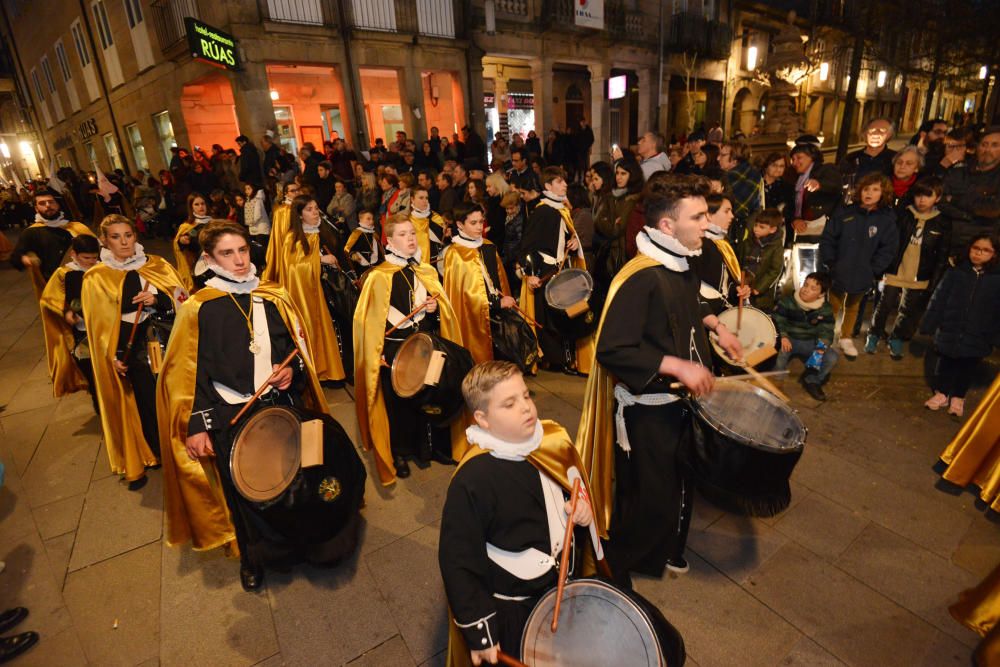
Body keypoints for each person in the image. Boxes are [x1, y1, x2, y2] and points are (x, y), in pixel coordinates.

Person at [158, 220, 364, 591]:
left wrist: (292, 371)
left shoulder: (272, 294)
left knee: (303, 471)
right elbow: (189, 373)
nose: (239, 260)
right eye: (227, 253)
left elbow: (295, 348)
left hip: (279, 402)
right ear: (208, 258)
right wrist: (198, 424)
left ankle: (309, 539)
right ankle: (255, 559)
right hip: (230, 410)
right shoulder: (198, 308)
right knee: (246, 494)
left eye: (242, 250)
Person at [576, 175, 743, 586]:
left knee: (671, 491)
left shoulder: (679, 261)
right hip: (647, 414)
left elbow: (689, 300)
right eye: (698, 216)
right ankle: (613, 574)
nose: (707, 224)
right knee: (647, 502)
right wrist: (677, 365)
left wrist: (715, 326)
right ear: (667, 226)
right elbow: (612, 349)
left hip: (677, 407)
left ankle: (655, 555)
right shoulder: (642, 276)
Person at [439, 361, 602, 665]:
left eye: (526, 396)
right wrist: (482, 634)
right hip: (514, 611)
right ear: (483, 419)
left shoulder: (552, 440)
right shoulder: (472, 479)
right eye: (509, 404)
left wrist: (577, 509)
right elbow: (459, 561)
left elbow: (573, 484)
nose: (526, 408)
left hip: (561, 590)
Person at [353, 214, 466, 483]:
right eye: (403, 235)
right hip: (394, 348)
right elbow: (367, 320)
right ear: (389, 241)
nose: (411, 238)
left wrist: (434, 308)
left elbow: (441, 308)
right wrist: (375, 353)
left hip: (424, 343)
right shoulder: (378, 276)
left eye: (412, 233)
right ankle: (400, 452)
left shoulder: (424, 270)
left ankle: (431, 446)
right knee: (400, 403)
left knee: (430, 394)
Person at [83, 214, 186, 491]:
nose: (124, 242)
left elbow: (183, 299)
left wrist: (159, 299)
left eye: (128, 235)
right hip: (134, 350)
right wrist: (112, 356)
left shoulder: (158, 265)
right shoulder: (96, 277)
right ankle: (160, 454)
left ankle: (185, 445)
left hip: (168, 340)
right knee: (147, 402)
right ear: (104, 241)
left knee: (177, 395)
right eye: (116, 237)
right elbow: (99, 325)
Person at [518, 167, 594, 375]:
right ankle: (556, 360)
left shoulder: (560, 209)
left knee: (565, 315)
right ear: (548, 186)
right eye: (559, 182)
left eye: (564, 181)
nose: (565, 185)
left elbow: (565, 237)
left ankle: (565, 359)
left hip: (562, 268)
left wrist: (574, 242)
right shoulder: (543, 211)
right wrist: (530, 273)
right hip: (546, 271)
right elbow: (527, 246)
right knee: (550, 319)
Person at [867, 177, 950, 359]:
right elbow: (888, 242)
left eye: (928, 196)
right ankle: (874, 334)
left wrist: (934, 280)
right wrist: (882, 268)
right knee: (884, 304)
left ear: (937, 198)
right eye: (919, 195)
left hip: (920, 274)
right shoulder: (903, 214)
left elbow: (942, 255)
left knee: (907, 310)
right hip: (896, 269)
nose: (922, 200)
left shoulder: (942, 222)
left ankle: (896, 337)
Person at [819, 173, 899, 359]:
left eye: (875, 189)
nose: (869, 193)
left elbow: (888, 248)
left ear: (883, 193)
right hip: (839, 268)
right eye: (866, 189)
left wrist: (874, 269)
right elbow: (828, 238)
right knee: (832, 304)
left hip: (863, 271)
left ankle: (846, 337)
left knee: (853, 305)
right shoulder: (846, 213)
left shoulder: (886, 220)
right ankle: (825, 336)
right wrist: (831, 262)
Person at [919, 233, 1000, 418]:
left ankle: (958, 397)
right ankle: (942, 393)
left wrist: (995, 335)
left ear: (994, 254)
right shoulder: (956, 273)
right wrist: (930, 323)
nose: (979, 253)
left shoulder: (996, 279)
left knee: (968, 367)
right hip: (951, 328)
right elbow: (938, 298)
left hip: (979, 333)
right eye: (976, 248)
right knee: (945, 363)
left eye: (985, 250)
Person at [270, 195, 348, 384]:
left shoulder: (322, 231)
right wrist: (319, 260)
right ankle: (319, 371)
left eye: (316, 208)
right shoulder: (292, 237)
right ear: (299, 215)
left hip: (330, 291)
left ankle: (335, 369)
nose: (315, 213)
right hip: (310, 294)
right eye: (309, 209)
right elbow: (293, 269)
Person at [441, 203, 518, 365]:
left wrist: (504, 300)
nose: (479, 227)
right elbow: (463, 296)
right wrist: (495, 303)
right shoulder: (455, 254)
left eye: (481, 222)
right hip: (472, 317)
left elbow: (500, 281)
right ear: (460, 224)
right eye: (473, 223)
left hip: (497, 315)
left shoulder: (488, 247)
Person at [38, 234, 101, 410]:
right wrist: (66, 311)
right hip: (81, 331)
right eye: (86, 258)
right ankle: (98, 403)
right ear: (74, 254)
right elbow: (50, 299)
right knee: (89, 368)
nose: (91, 261)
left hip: (104, 326)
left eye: (94, 257)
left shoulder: (102, 269)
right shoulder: (64, 273)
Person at [10, 190, 96, 297]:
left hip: (87, 281)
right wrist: (25, 259)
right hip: (57, 288)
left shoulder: (76, 227)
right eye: (42, 203)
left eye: (51, 202)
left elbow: (97, 250)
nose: (48, 205)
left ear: (58, 204)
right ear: (36, 208)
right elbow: (15, 258)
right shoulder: (31, 232)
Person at [773, 271, 839, 401]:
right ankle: (777, 383)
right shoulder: (788, 301)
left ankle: (812, 380)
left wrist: (821, 347)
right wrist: (784, 336)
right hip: (789, 339)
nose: (806, 290)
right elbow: (778, 319)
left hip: (810, 342)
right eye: (806, 284)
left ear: (821, 294)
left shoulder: (825, 309)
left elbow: (826, 330)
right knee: (781, 355)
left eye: (813, 288)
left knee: (832, 357)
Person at [693, 193, 749, 315]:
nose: (732, 216)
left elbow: (724, 283)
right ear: (709, 215)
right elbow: (697, 288)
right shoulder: (700, 244)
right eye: (727, 211)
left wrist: (738, 290)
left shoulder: (721, 243)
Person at [738, 208, 785, 311]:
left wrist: (759, 288)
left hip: (761, 295)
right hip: (743, 285)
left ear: (772, 229)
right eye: (755, 225)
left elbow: (775, 270)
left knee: (758, 316)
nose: (756, 229)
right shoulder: (748, 242)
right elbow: (739, 261)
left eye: (762, 227)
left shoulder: (776, 246)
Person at [719, 141, 763, 243]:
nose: (718, 158)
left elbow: (737, 209)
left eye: (722, 155)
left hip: (737, 233)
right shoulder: (753, 174)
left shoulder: (733, 178)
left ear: (735, 160)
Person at [173, 193, 212, 292]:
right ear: (191, 207)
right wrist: (182, 241)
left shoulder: (214, 222)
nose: (201, 207)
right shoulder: (189, 226)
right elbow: (181, 244)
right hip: (200, 269)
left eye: (202, 203)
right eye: (196, 204)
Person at [407, 186, 446, 266]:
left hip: (435, 261)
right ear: (412, 199)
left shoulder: (435, 217)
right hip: (415, 262)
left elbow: (444, 240)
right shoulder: (407, 221)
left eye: (426, 198)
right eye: (421, 198)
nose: (425, 201)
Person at [343, 209, 384, 276]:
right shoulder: (356, 233)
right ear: (360, 219)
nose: (371, 221)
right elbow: (347, 248)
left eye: (372, 219)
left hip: (376, 264)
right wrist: (352, 254)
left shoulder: (374, 233)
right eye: (368, 219)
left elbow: (380, 250)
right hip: (362, 266)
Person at [243, 182, 271, 252]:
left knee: (264, 248)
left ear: (254, 189)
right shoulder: (249, 200)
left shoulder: (258, 200)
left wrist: (250, 222)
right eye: (245, 189)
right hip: (254, 228)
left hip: (261, 228)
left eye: (249, 189)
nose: (246, 191)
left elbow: (257, 215)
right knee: (259, 247)